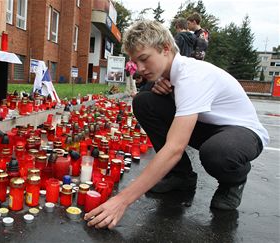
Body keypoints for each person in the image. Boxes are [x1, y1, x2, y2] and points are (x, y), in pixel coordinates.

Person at [85, 20, 268, 229]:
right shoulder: (170, 75)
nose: (141, 69)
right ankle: (180, 176)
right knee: (144, 101)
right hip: (209, 126)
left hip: (243, 133)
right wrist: (161, 87)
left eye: (144, 59)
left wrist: (122, 200)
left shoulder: (192, 76)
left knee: (217, 153)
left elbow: (175, 147)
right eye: (137, 62)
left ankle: (234, 181)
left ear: (165, 48)